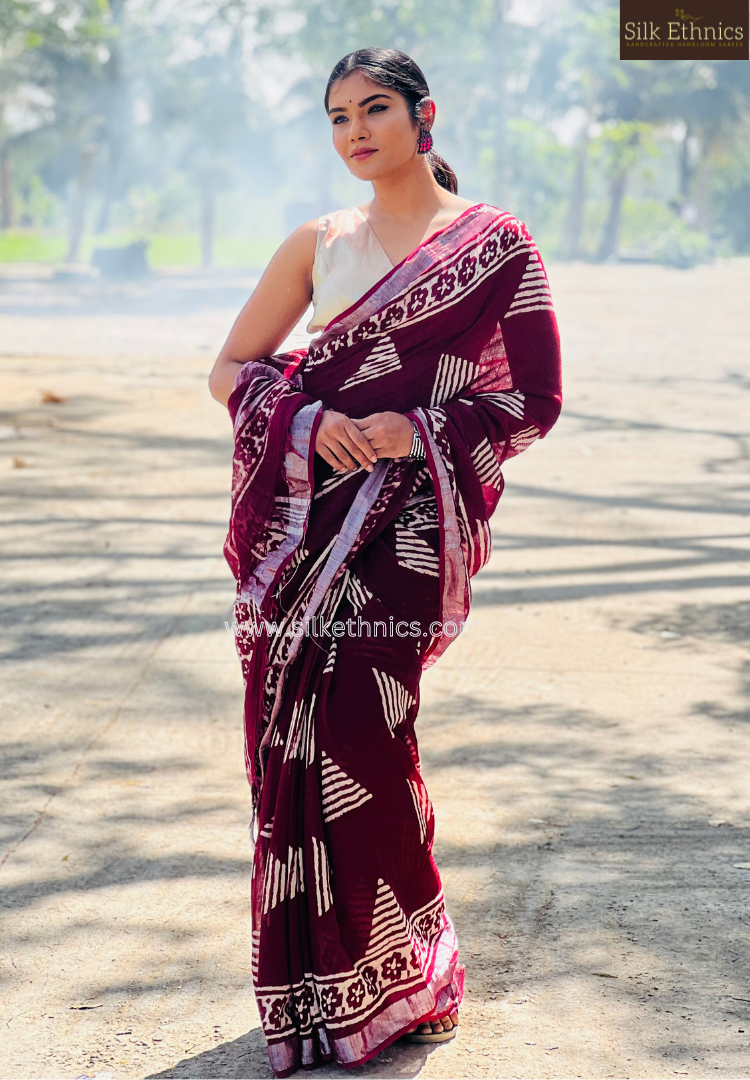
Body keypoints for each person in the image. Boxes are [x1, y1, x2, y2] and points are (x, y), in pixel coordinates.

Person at [209, 46, 562, 1079]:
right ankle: (321, 992)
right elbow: (231, 368)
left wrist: (418, 429)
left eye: (374, 110)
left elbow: (531, 400)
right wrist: (310, 422)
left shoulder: (497, 245)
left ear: (424, 116)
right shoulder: (317, 244)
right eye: (336, 117)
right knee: (294, 742)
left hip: (410, 527)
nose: (355, 131)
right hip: (308, 529)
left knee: (367, 728)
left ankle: (413, 975)